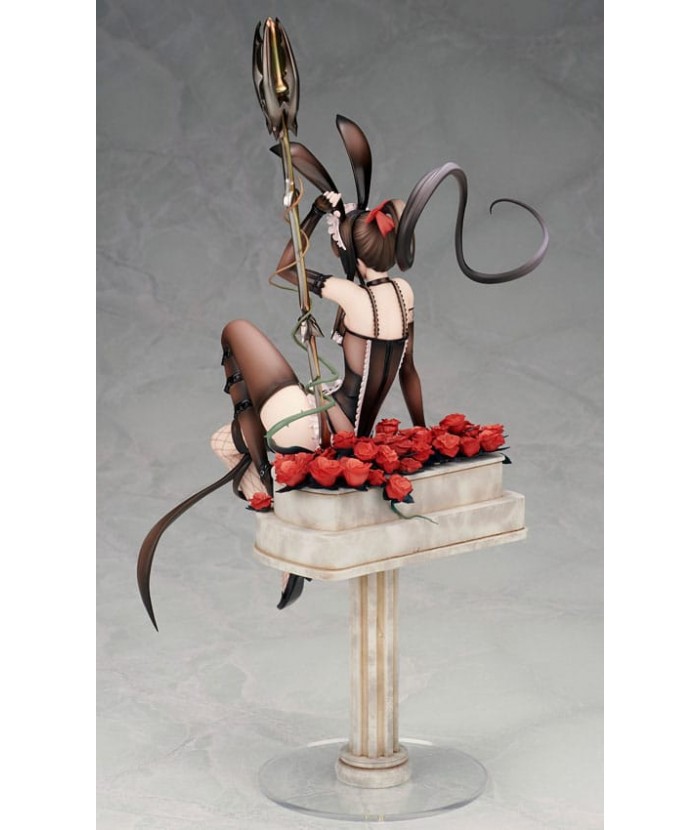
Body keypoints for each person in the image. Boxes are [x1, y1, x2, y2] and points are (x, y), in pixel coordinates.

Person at [137, 115, 548, 626]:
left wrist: (312, 215)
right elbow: (409, 373)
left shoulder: (351, 296)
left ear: (351, 249)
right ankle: (266, 483)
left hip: (321, 425)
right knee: (229, 443)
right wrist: (422, 432)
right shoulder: (404, 293)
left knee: (235, 335)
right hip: (354, 429)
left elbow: (284, 273)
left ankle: (273, 497)